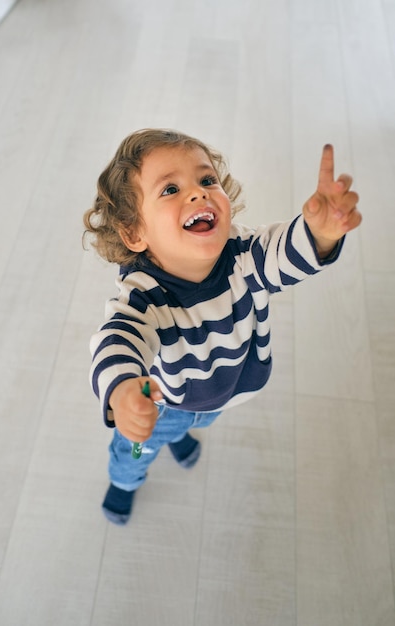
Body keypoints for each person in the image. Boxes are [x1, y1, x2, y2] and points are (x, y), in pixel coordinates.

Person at [83, 128, 361, 525]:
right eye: (169, 190)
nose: (198, 193)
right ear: (134, 232)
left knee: (195, 421)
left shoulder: (244, 255)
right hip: (158, 406)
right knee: (135, 448)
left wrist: (319, 233)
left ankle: (180, 437)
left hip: (221, 395)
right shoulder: (143, 297)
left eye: (207, 180)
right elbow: (118, 340)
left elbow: (286, 253)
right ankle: (124, 482)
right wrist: (123, 391)